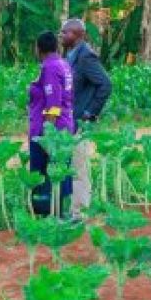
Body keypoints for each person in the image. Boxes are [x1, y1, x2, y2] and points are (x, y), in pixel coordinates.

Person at [60, 18, 112, 220]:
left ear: (78, 35)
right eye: (62, 33)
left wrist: (90, 113)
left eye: (66, 33)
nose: (62, 36)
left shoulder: (86, 57)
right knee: (72, 165)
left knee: (79, 166)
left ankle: (80, 213)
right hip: (70, 120)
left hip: (80, 120)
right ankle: (74, 209)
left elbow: (105, 85)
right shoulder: (71, 55)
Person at [28, 31, 75, 216]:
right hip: (65, 126)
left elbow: (53, 104)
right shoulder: (63, 64)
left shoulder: (50, 67)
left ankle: (49, 214)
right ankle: (60, 212)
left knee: (45, 174)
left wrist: (48, 136)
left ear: (38, 48)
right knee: (60, 171)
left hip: (50, 130)